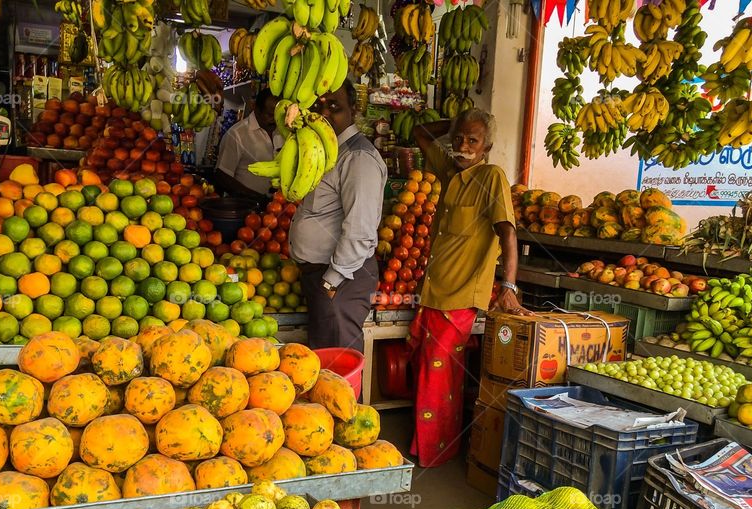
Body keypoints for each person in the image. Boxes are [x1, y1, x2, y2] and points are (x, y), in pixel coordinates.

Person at [408, 108, 531, 468]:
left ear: (487, 146)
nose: (463, 145)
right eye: (460, 138)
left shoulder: (492, 177)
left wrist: (508, 285)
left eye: (472, 140)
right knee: (426, 373)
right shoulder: (449, 171)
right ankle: (424, 445)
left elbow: (507, 232)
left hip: (460, 294)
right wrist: (454, 125)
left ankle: (434, 453)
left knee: (438, 378)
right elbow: (419, 133)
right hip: (432, 291)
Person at [289, 79, 387, 353]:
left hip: (342, 279)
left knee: (337, 369)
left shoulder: (358, 158)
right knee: (323, 365)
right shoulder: (327, 152)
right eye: (319, 106)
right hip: (325, 277)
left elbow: (360, 229)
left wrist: (331, 282)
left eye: (335, 106)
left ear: (353, 110)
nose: (326, 113)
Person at [211, 87, 281, 200]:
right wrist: (255, 197)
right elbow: (222, 176)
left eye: (278, 116)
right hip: (246, 209)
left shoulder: (283, 133)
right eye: (270, 115)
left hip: (279, 209)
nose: (275, 120)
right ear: (256, 109)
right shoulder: (237, 134)